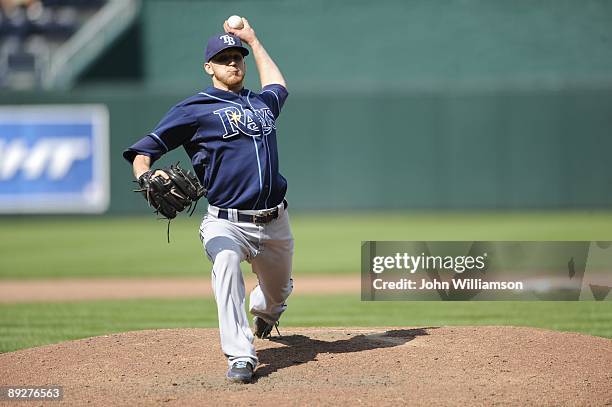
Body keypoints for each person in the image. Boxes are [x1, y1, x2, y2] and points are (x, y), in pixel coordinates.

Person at [123, 18, 294, 384]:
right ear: (209, 67)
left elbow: (278, 85)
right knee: (227, 263)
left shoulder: (260, 103)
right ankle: (241, 356)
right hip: (226, 221)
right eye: (224, 58)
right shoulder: (194, 109)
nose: (233, 63)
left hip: (275, 221)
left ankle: (267, 310)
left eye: (237, 57)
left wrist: (253, 39)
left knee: (275, 296)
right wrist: (145, 176)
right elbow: (143, 151)